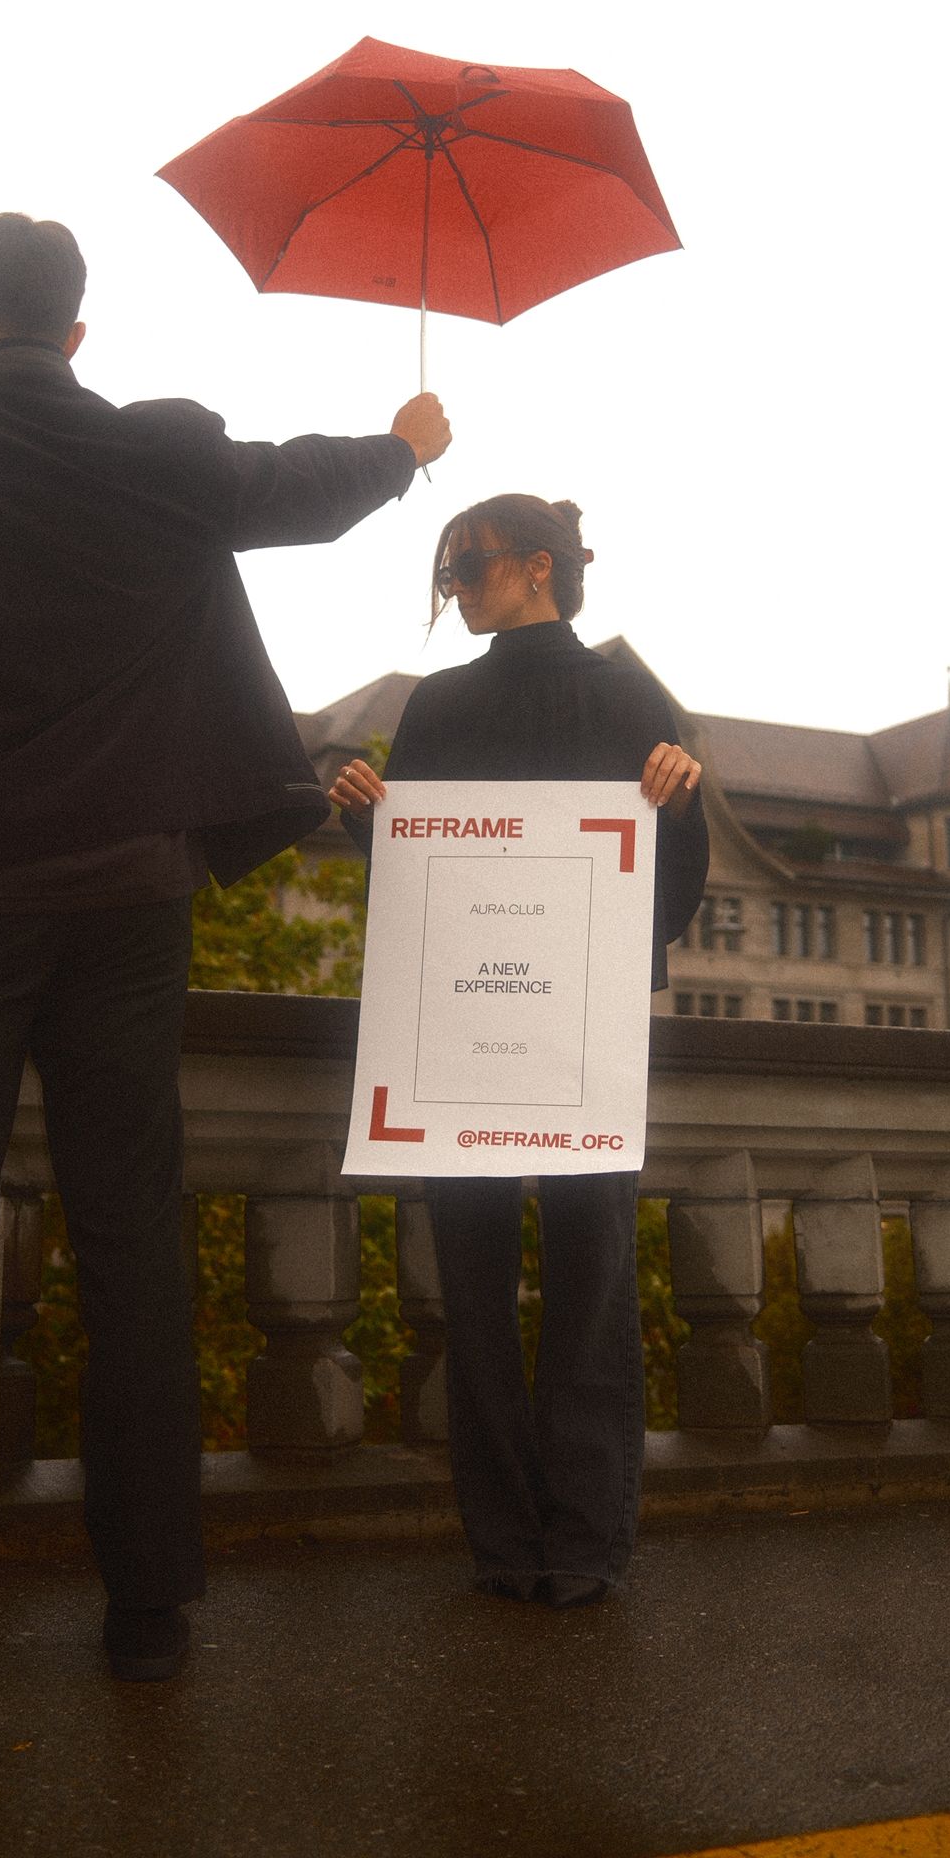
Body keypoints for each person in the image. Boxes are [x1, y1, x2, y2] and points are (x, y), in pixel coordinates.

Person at [0, 211, 451, 1704]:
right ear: (80, 334)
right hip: (127, 903)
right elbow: (288, 491)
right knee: (132, 1239)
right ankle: (151, 1607)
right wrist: (402, 446)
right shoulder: (150, 457)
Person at [331, 493, 705, 1607]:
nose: (455, 589)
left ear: (536, 567)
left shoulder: (632, 694)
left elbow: (669, 896)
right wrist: (370, 818)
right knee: (483, 1293)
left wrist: (677, 808)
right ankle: (514, 1541)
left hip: (576, 1030)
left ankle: (577, 1541)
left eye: (469, 567)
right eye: (446, 574)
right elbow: (419, 883)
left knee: (579, 1283)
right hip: (474, 1021)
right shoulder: (435, 703)